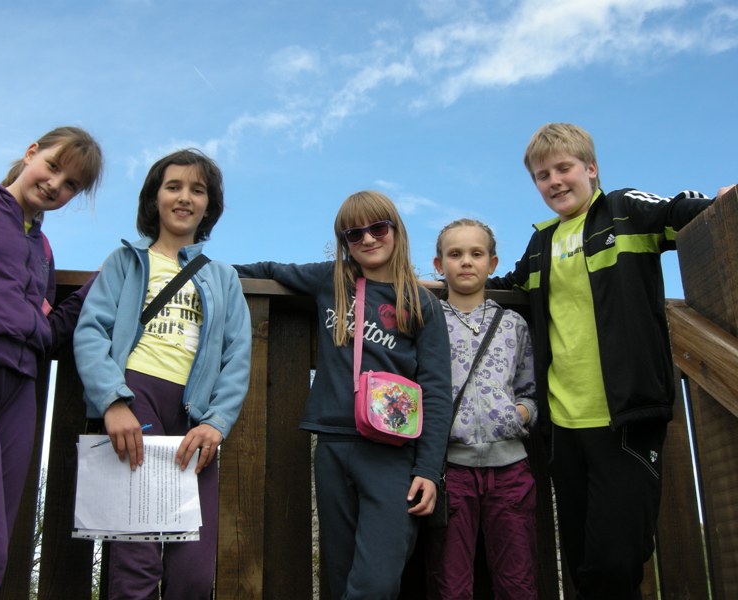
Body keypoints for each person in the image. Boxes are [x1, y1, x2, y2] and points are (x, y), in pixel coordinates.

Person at [487, 122, 735, 599]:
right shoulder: (541, 244)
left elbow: (680, 211)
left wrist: (721, 201)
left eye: (563, 168)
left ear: (591, 168)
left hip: (626, 417)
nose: (554, 181)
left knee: (615, 561)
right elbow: (504, 289)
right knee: (582, 562)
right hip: (564, 424)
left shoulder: (624, 210)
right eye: (542, 175)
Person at [234, 190, 453, 599]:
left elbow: (438, 391)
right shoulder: (332, 280)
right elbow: (267, 270)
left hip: (393, 454)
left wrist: (428, 468)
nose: (368, 239)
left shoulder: (421, 303)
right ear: (344, 242)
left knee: (377, 580)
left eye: (378, 228)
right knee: (338, 572)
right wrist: (194, 269)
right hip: (333, 445)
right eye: (354, 234)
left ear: (396, 231)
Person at [73, 148, 251, 600]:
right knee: (136, 557)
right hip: (137, 400)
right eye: (173, 187)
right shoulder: (125, 261)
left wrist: (216, 422)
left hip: (195, 419)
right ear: (155, 198)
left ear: (209, 205)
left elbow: (237, 355)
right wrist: (113, 402)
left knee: (194, 571)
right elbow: (91, 332)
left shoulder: (223, 277)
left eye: (197, 190)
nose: (185, 197)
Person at [0, 126, 103, 599]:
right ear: (31, 153)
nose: (55, 185)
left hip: (20, 390)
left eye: (71, 185)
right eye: (53, 166)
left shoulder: (43, 250)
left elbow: (46, 334)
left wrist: (99, 287)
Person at [426, 218, 538, 599]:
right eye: (455, 254)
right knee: (451, 584)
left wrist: (520, 414)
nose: (466, 262)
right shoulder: (429, 322)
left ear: (492, 263)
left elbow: (529, 391)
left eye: (476, 253)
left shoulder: (513, 325)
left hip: (510, 471)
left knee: (517, 580)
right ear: (439, 265)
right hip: (451, 471)